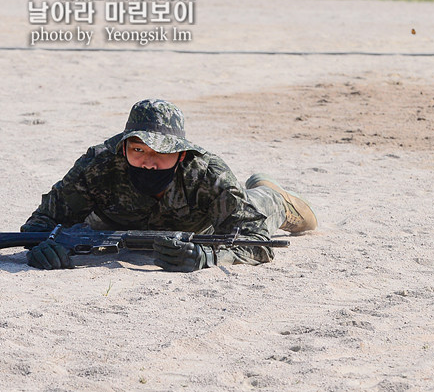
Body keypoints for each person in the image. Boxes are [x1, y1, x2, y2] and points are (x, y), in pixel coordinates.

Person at [22, 98, 317, 272]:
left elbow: (256, 241)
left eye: (161, 153)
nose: (149, 163)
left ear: (181, 153)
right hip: (110, 225)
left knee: (270, 209)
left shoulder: (207, 173)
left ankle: (270, 190)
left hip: (203, 228)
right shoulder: (97, 165)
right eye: (138, 151)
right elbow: (42, 221)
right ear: (124, 147)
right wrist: (38, 246)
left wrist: (207, 257)